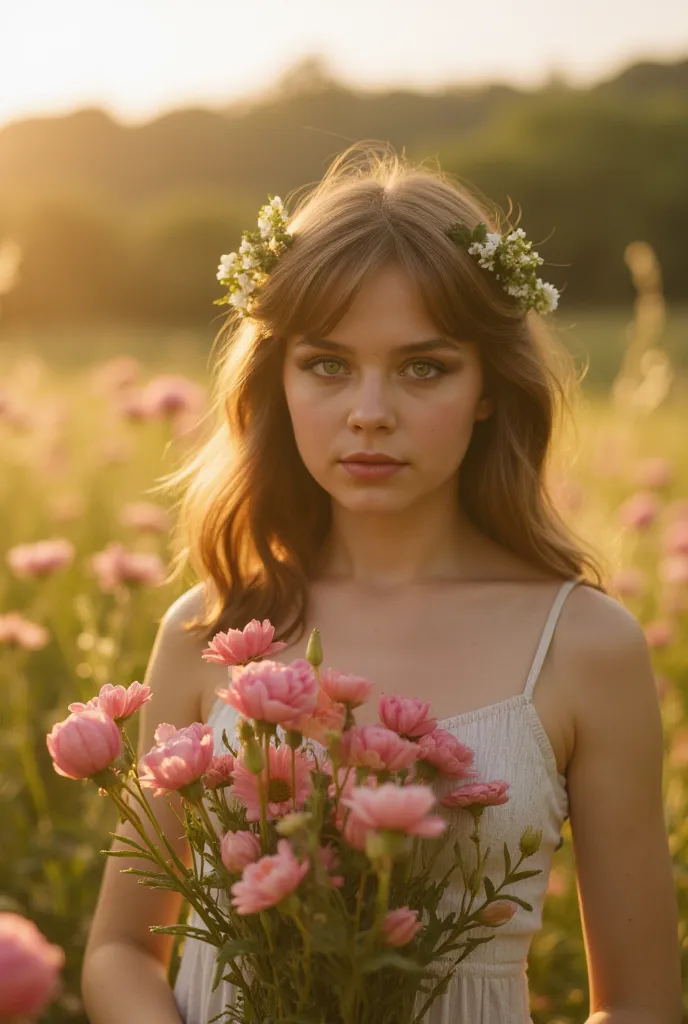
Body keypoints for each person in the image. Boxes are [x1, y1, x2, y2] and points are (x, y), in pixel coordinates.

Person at [80, 143, 682, 1024]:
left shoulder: (586, 646)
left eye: (423, 366)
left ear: (487, 388)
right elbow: (119, 949)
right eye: (327, 363)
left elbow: (638, 1004)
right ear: (276, 380)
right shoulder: (209, 628)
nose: (370, 410)